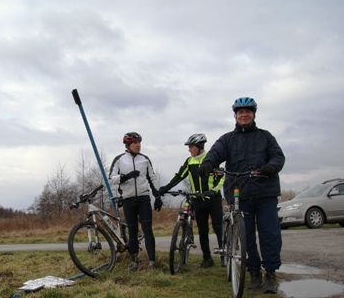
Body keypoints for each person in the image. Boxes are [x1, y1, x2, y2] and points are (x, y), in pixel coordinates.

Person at [198, 97, 285, 294]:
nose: (244, 115)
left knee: (270, 234)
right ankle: (254, 272)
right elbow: (215, 153)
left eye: (247, 111)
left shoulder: (266, 137)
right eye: (240, 112)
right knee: (246, 237)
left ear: (254, 114)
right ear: (235, 116)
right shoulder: (227, 139)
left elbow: (278, 156)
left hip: (265, 192)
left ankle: (270, 273)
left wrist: (271, 167)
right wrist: (208, 164)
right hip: (240, 193)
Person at [158, 133, 225, 268]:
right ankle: (207, 259)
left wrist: (213, 191)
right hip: (197, 200)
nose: (189, 149)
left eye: (191, 147)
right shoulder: (190, 162)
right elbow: (179, 176)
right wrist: (165, 188)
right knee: (202, 230)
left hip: (213, 199)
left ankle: (225, 256)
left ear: (199, 147)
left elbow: (221, 177)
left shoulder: (211, 159)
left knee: (218, 228)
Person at [109, 132, 161, 270]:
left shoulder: (145, 159)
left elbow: (152, 178)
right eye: (135, 143)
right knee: (132, 230)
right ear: (128, 145)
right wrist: (126, 177)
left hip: (144, 198)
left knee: (147, 229)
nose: (138, 145)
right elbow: (111, 178)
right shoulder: (119, 159)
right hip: (128, 199)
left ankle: (152, 262)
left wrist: (158, 196)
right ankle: (134, 262)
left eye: (139, 143)